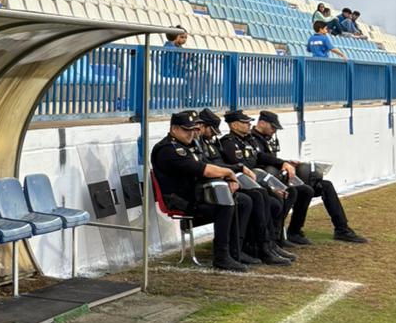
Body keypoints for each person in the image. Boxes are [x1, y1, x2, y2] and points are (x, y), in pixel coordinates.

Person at [150, 110, 246, 272]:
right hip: (181, 200)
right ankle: (221, 256)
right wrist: (229, 173)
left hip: (197, 194)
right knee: (225, 205)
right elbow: (203, 170)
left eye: (194, 129)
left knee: (243, 200)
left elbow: (210, 165)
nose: (191, 133)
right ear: (174, 129)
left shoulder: (189, 145)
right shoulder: (168, 149)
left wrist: (229, 174)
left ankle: (237, 251)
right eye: (187, 130)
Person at [252, 110, 367, 245]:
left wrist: (288, 162)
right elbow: (259, 159)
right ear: (262, 123)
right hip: (267, 182)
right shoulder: (251, 139)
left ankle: (341, 228)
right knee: (304, 190)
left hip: (279, 177)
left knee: (325, 185)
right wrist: (282, 163)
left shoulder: (266, 139)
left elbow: (269, 159)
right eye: (273, 127)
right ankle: (284, 233)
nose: (274, 131)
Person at [198, 109, 292, 265]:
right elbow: (211, 166)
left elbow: (254, 158)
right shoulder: (226, 142)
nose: (249, 125)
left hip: (229, 182)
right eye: (245, 122)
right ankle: (253, 247)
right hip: (214, 188)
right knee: (254, 197)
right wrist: (237, 170)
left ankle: (267, 244)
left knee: (269, 195)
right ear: (234, 125)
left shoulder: (232, 141)